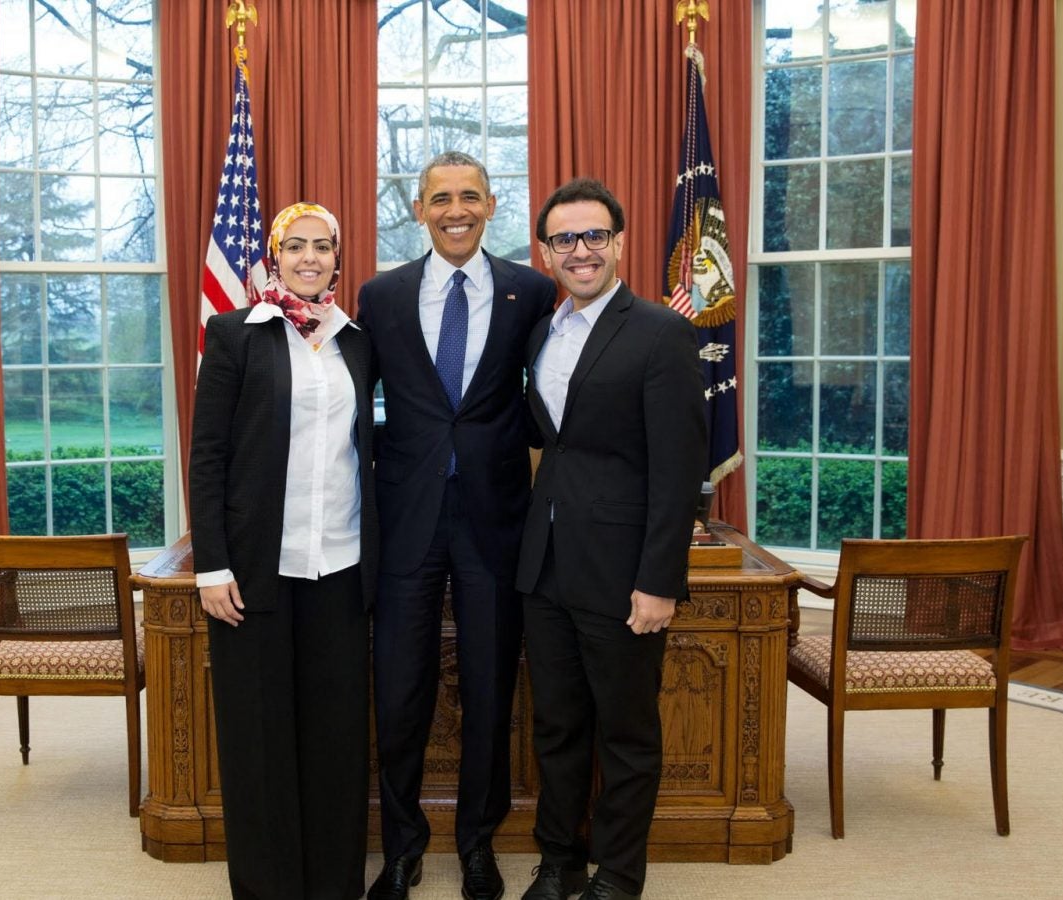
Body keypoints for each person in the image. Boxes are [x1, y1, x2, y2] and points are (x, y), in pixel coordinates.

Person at [356, 150, 557, 900]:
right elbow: (346, 405)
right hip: (405, 522)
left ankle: (478, 843)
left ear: (492, 203)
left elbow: (564, 385)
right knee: (400, 691)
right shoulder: (381, 296)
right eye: (441, 197)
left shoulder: (531, 292)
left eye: (470, 195)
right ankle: (402, 847)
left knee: (489, 685)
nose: (456, 210)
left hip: (496, 522)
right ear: (419, 209)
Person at [516, 178, 707, 900]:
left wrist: (659, 579)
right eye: (565, 239)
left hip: (625, 573)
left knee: (626, 736)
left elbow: (678, 468)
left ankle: (619, 875)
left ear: (619, 243)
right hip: (546, 567)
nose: (581, 250)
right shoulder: (543, 333)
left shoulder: (661, 333)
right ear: (546, 253)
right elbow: (549, 443)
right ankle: (559, 861)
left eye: (594, 235)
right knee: (557, 727)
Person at [189, 202, 377, 900]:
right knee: (260, 741)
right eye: (294, 246)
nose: (308, 258)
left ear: (337, 257)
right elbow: (207, 457)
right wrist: (213, 563)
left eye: (321, 246)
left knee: (335, 740)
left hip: (342, 567)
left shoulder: (357, 340)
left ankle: (333, 885)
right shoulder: (237, 334)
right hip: (253, 575)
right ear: (273, 257)